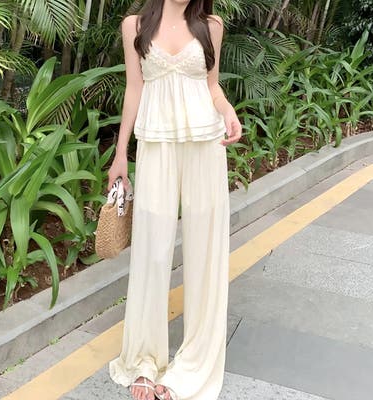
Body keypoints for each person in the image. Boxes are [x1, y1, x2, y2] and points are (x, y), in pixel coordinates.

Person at [107, 0, 242, 399]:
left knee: (205, 252)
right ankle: (144, 360)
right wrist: (120, 154)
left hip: (205, 144)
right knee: (151, 250)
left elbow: (212, 86)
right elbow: (135, 89)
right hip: (156, 144)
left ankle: (194, 364)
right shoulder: (134, 26)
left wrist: (228, 111)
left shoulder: (211, 25)